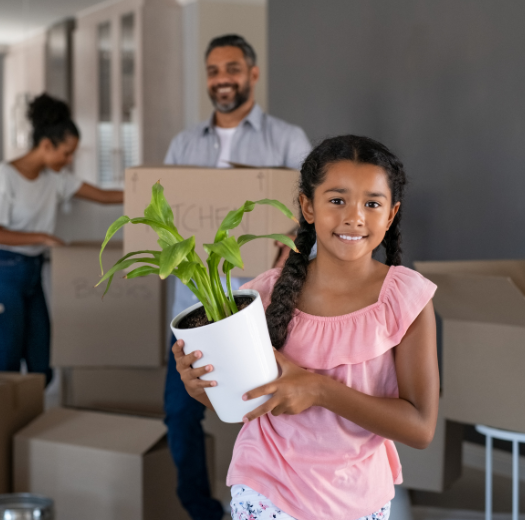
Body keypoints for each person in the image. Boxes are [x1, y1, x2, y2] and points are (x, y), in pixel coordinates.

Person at [174, 135, 440, 520]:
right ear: (307, 206)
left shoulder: (407, 299)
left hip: (360, 498)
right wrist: (199, 387)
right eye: (336, 200)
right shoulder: (260, 296)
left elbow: (420, 428)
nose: (354, 216)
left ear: (392, 213)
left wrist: (319, 390)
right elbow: (243, 401)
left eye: (372, 203)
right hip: (267, 490)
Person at [163, 34, 312, 520]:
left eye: (231, 67)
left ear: (252, 73)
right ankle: (206, 512)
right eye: (212, 70)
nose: (221, 78)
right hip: (195, 305)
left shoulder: (288, 139)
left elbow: (312, 210)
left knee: (274, 411)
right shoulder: (184, 145)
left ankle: (275, 505)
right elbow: (161, 218)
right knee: (182, 413)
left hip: (265, 306)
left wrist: (290, 230)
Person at [0, 93, 122, 384]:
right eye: (66, 153)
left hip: (31, 274)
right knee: (8, 364)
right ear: (46, 145)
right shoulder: (5, 176)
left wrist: (152, 191)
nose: (68, 161)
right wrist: (42, 237)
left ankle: (32, 425)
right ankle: (6, 427)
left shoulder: (54, 178)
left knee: (42, 367)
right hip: (1, 273)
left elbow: (104, 197)